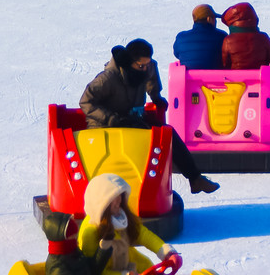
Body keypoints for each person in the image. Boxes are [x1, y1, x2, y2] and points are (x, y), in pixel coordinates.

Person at [78, 39, 219, 195]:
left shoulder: (145, 68)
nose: (145, 68)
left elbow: (152, 74)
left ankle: (195, 178)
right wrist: (111, 118)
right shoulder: (108, 78)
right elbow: (86, 102)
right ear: (128, 62)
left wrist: (156, 96)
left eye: (147, 64)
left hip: (131, 119)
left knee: (167, 133)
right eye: (141, 65)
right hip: (105, 125)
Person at [219, 2, 270, 70]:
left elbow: (224, 65)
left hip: (236, 80)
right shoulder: (264, 38)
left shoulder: (228, 40)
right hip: (261, 79)